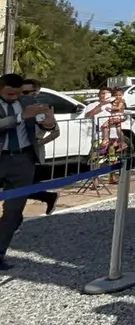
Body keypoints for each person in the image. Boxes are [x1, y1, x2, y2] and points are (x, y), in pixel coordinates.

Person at [0, 73, 56, 270]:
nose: (14, 97)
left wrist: (48, 121)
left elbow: (48, 125)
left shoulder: (29, 102)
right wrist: (19, 117)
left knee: (14, 211)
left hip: (23, 160)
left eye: (19, 93)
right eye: (10, 93)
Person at [20, 79, 59, 215]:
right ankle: (47, 196)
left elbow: (55, 131)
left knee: (22, 188)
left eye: (26, 92)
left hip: (33, 153)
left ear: (36, 92)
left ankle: (13, 223)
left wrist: (41, 141)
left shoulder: (42, 109)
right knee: (16, 188)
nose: (22, 95)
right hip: (13, 153)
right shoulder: (15, 106)